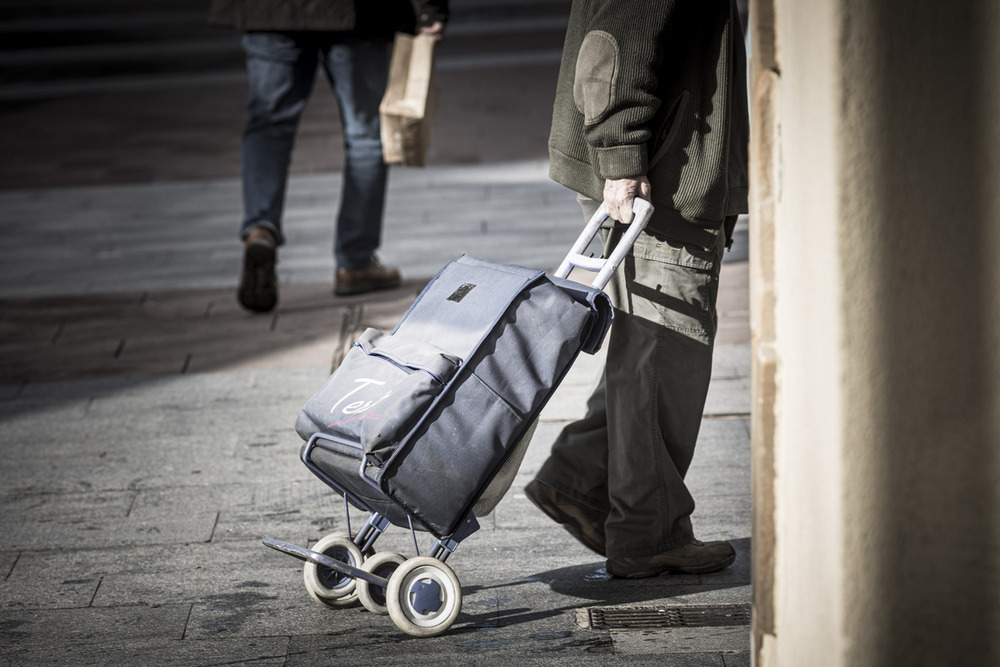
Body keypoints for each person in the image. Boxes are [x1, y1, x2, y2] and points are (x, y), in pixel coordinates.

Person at [525, 0, 749, 578]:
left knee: (644, 351)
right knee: (663, 356)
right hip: (659, 176)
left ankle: (583, 481)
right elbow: (611, 47)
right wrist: (622, 156)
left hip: (662, 165)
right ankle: (650, 533)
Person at [209, 0, 449, 312]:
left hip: (270, 11)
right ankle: (355, 262)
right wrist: (430, 8)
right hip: (355, 12)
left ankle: (260, 229)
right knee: (365, 134)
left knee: (269, 124)